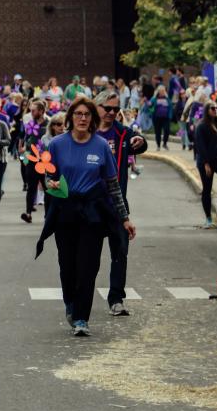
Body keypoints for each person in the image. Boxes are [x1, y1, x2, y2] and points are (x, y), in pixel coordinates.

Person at [35, 97, 136, 337]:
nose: (82, 118)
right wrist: (50, 183)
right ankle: (71, 303)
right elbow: (47, 179)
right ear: (70, 118)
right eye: (78, 114)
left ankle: (81, 317)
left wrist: (124, 217)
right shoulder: (57, 145)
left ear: (93, 118)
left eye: (87, 115)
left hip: (92, 213)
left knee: (88, 267)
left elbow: (113, 186)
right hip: (66, 212)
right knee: (67, 266)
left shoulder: (101, 145)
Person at [95, 91, 148, 316]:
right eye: (107, 108)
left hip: (118, 203)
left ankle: (116, 298)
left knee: (120, 252)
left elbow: (140, 144)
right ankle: (80, 298)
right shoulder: (86, 133)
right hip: (92, 204)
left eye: (116, 109)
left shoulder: (123, 133)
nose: (111, 113)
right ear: (97, 107)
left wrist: (141, 141)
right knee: (88, 255)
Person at [20, 100, 50, 224]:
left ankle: (48, 215)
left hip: (45, 161)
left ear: (41, 111)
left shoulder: (49, 125)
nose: (31, 113)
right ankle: (28, 213)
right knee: (31, 187)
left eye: (34, 110)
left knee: (47, 187)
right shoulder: (30, 124)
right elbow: (26, 140)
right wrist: (25, 157)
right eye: (31, 110)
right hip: (32, 160)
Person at [150, 85, 172, 150]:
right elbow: (150, 106)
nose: (162, 92)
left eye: (163, 91)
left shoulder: (167, 98)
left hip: (166, 118)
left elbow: (170, 107)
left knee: (167, 130)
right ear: (158, 91)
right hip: (156, 118)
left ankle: (165, 143)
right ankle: (158, 145)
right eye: (161, 91)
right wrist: (149, 104)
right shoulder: (154, 98)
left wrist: (170, 116)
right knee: (158, 132)